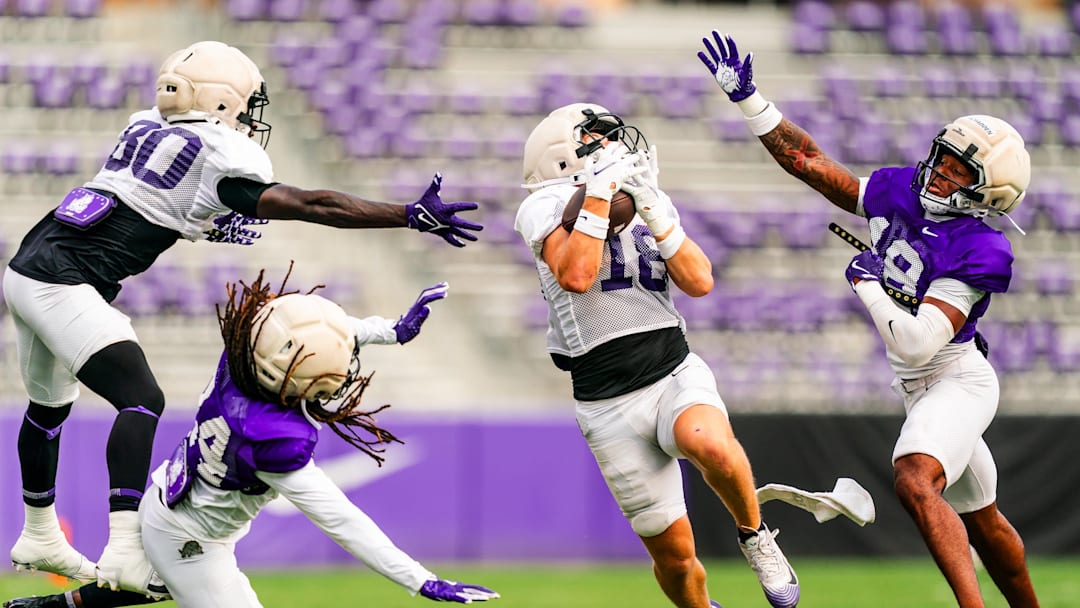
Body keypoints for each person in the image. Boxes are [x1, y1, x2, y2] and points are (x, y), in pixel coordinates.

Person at [3, 40, 482, 596]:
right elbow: (312, 205)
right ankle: (125, 550)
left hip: (27, 265)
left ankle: (39, 531)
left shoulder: (145, 126)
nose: (251, 115)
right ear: (222, 100)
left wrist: (204, 221)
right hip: (65, 281)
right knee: (141, 399)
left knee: (49, 405)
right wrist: (405, 215)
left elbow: (152, 204)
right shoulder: (220, 155)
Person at [698, 31, 1040, 608]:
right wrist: (751, 101)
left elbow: (916, 343)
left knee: (913, 477)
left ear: (990, 194)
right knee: (983, 521)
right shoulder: (900, 189)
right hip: (918, 387)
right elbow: (810, 162)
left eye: (959, 171)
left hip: (955, 376)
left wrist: (866, 283)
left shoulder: (981, 247)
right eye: (944, 158)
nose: (939, 172)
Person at [3, 269, 500, 608]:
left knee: (153, 584)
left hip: (170, 500)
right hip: (193, 539)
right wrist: (421, 580)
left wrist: (384, 331)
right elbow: (343, 521)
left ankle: (51, 605)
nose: (343, 373)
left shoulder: (242, 358)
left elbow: (302, 330)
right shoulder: (273, 441)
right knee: (181, 578)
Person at [514, 103, 800, 608]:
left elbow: (700, 281)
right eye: (596, 140)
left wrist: (654, 208)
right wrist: (599, 191)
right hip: (606, 401)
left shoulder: (642, 192)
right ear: (563, 157)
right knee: (675, 557)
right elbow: (576, 276)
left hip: (671, 367)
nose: (612, 148)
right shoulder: (545, 205)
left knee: (708, 444)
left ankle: (756, 536)